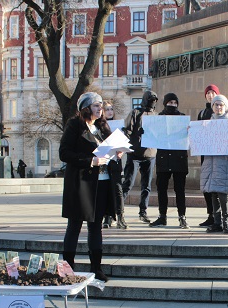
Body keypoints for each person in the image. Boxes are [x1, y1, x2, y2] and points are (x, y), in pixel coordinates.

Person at [60, 92, 122, 282]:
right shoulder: (75, 125)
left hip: (102, 183)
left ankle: (97, 268)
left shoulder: (102, 127)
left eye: (101, 105)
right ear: (85, 108)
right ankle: (67, 270)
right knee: (75, 226)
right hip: (81, 183)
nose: (100, 109)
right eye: (96, 105)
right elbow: (64, 153)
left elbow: (110, 148)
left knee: (96, 227)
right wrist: (90, 161)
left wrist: (117, 153)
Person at [200, 94, 228, 234]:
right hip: (211, 162)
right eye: (216, 104)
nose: (219, 107)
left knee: (223, 194)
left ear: (226, 106)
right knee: (213, 194)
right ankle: (217, 222)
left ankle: (227, 223)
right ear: (212, 107)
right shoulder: (207, 123)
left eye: (221, 104)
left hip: (224, 163)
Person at [149, 93, 190, 229]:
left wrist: (189, 130)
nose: (172, 105)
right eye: (169, 102)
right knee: (161, 189)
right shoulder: (158, 118)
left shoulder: (183, 118)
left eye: (174, 102)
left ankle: (182, 217)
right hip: (163, 158)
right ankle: (162, 216)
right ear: (165, 103)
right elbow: (152, 133)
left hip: (179, 158)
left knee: (180, 190)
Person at [122, 90, 158, 223]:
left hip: (150, 154)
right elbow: (127, 130)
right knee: (128, 183)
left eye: (154, 101)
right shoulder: (136, 112)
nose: (152, 103)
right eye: (150, 100)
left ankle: (143, 211)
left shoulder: (155, 115)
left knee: (146, 186)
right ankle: (117, 210)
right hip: (135, 153)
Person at [102, 100, 128, 230]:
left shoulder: (119, 125)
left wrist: (121, 151)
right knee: (106, 189)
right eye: (107, 109)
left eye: (111, 109)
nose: (110, 111)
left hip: (115, 162)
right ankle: (107, 216)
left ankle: (120, 216)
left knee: (118, 189)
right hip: (103, 161)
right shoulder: (99, 126)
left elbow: (123, 143)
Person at [197, 84, 220, 227]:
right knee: (206, 184)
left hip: (217, 153)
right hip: (205, 152)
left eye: (213, 93)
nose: (210, 95)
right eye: (208, 93)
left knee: (216, 185)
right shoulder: (201, 113)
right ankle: (210, 214)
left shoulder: (220, 110)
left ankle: (218, 215)